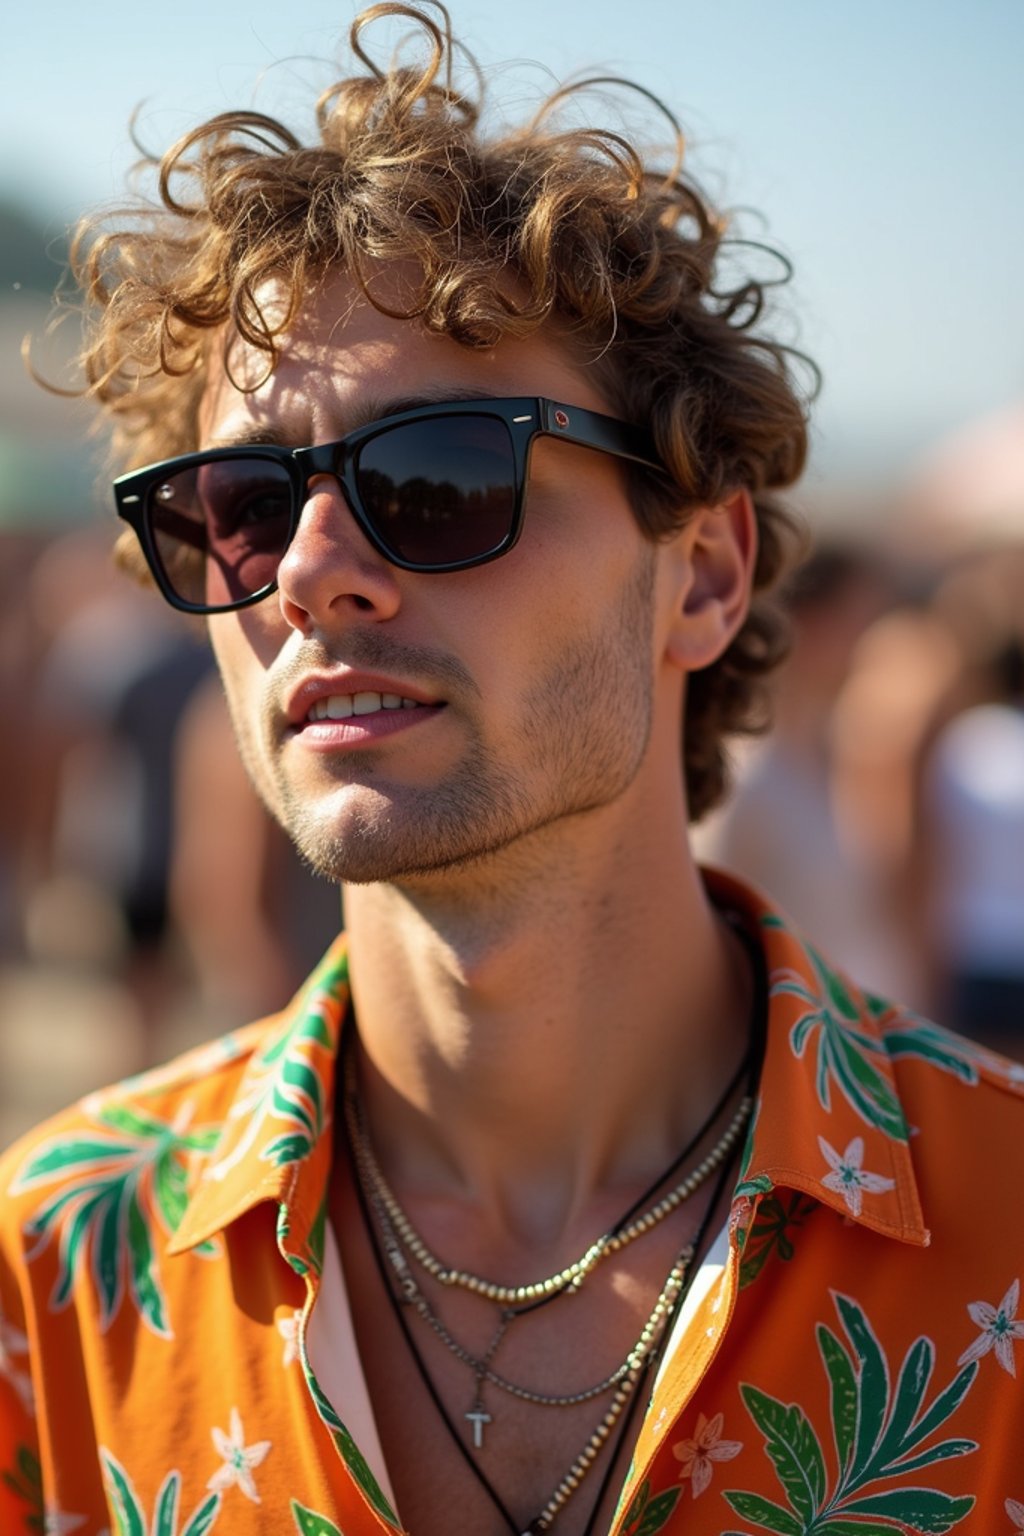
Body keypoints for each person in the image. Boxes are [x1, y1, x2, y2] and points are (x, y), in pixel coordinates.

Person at [2, 8, 1022, 1534]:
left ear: (705, 574)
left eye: (439, 474)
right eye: (241, 504)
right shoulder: (54, 1276)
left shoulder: (1003, 1224)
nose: (313, 579)